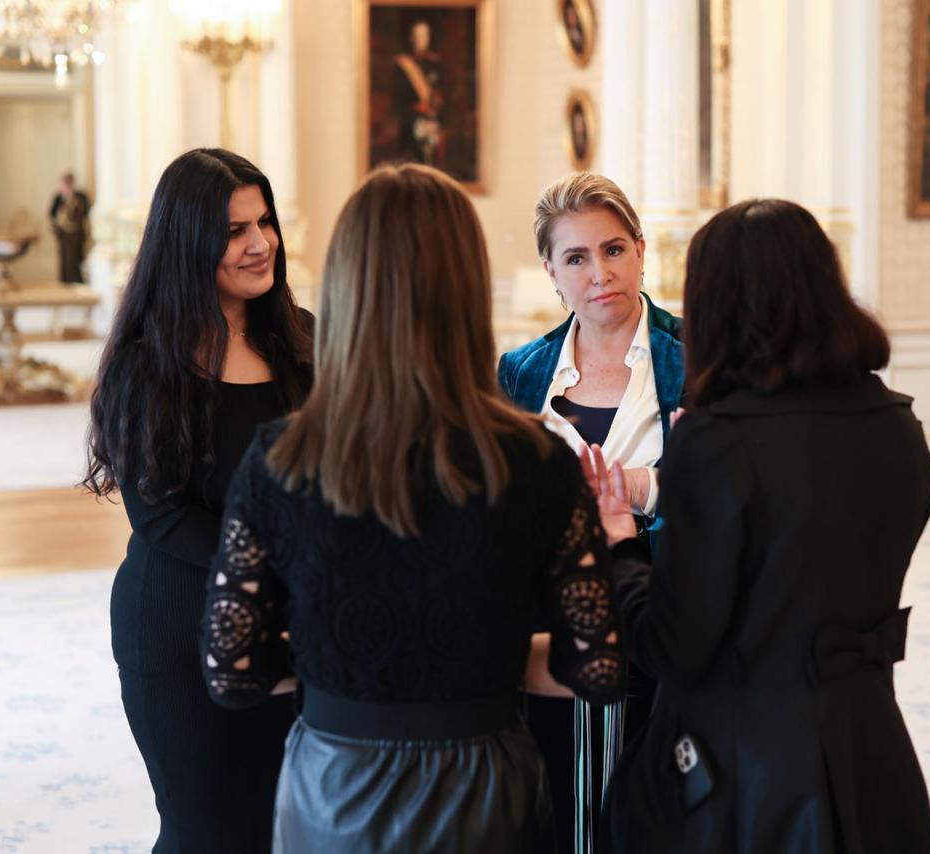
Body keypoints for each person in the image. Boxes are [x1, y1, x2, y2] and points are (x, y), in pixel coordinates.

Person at [198, 163, 630, 853]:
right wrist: (473, 657)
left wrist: (348, 657)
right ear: (464, 288)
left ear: (345, 289)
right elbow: (600, 670)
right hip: (482, 786)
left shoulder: (282, 458)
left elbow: (231, 670)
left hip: (335, 783)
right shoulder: (536, 461)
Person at [592, 198, 930, 853]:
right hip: (870, 751)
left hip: (745, 771)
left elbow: (671, 645)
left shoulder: (720, 442)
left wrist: (620, 543)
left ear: (714, 303)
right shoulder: (899, 425)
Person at [82, 149, 313, 854]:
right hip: (179, 622)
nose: (259, 243)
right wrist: (278, 572)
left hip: (296, 623)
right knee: (206, 831)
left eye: (264, 221)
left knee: (286, 827)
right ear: (187, 242)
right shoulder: (145, 362)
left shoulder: (304, 338)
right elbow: (162, 517)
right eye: (234, 230)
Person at [498, 171, 683, 849]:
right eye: (576, 257)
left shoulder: (696, 357)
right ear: (551, 271)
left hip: (660, 610)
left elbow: (729, 490)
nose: (599, 272)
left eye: (612, 250)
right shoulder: (519, 371)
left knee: (647, 803)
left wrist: (639, 490)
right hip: (550, 620)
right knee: (555, 797)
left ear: (640, 249)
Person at [392, 20, 446, 167]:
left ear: (428, 38)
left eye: (424, 36)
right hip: (411, 120)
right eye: (417, 36)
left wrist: (435, 108)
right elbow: (398, 97)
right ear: (411, 38)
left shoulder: (436, 63)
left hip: (432, 118)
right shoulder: (403, 64)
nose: (421, 40)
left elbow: (441, 92)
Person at [49, 171, 91, 283]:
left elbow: (86, 211)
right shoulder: (58, 197)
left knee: (78, 257)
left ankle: (78, 280)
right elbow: (52, 214)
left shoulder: (80, 196)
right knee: (66, 258)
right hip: (64, 234)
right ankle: (66, 280)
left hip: (77, 233)